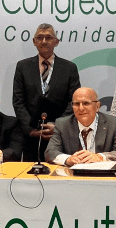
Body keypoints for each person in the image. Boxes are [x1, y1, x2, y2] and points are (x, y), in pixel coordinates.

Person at [12, 23, 81, 161]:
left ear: (56, 42)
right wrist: (31, 129)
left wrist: (58, 127)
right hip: (31, 137)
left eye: (48, 37)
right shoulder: (22, 66)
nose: (44, 41)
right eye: (40, 37)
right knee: (31, 173)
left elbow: (73, 101)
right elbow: (18, 101)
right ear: (34, 41)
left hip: (61, 137)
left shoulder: (69, 68)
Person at [45, 87, 116, 166]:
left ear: (97, 106)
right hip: (73, 173)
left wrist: (99, 157)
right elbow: (50, 152)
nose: (81, 108)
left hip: (103, 173)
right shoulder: (62, 124)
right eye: (76, 104)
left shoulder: (113, 123)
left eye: (86, 103)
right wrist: (67, 159)